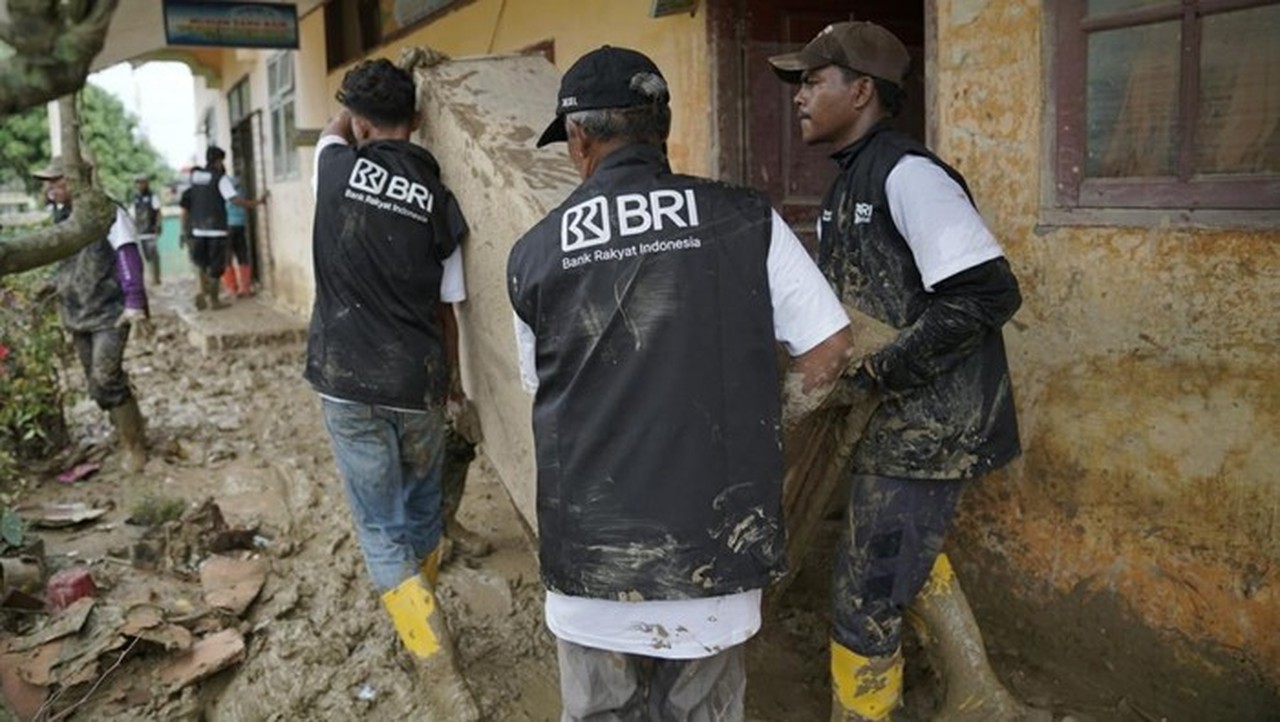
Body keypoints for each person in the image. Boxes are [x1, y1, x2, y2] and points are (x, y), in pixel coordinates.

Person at [507, 46, 853, 721]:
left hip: (591, 562)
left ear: (579, 138)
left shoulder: (534, 253)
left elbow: (543, 390)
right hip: (713, 555)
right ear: (660, 125)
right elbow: (830, 349)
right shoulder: (746, 219)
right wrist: (760, 426)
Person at [769, 21, 1026, 722]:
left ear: (860, 92)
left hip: (928, 420)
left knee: (865, 590)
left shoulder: (908, 175)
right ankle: (981, 695)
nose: (799, 96)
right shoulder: (849, 184)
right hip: (895, 419)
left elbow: (988, 294)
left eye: (813, 81)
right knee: (903, 553)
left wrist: (880, 372)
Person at [303, 58, 479, 720]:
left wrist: (351, 114)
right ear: (420, 122)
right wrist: (455, 391)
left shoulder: (333, 165)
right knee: (419, 510)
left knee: (379, 529)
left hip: (348, 382)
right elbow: (449, 309)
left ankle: (437, 667)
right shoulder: (441, 200)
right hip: (420, 384)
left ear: (358, 123)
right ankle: (419, 610)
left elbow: (332, 126)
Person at [33, 157, 153, 473]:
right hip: (76, 310)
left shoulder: (107, 213)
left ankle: (133, 445)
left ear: (74, 181)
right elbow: (65, 263)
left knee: (105, 376)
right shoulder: (62, 217)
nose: (49, 188)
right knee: (96, 385)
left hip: (110, 310)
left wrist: (134, 300)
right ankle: (128, 428)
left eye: (55, 181)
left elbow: (127, 253)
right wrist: (50, 286)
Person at [180, 146, 264, 310]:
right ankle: (214, 300)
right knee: (217, 265)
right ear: (219, 161)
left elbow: (188, 199)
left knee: (202, 263)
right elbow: (233, 200)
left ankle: (201, 291)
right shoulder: (220, 178)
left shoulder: (196, 176)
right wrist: (254, 203)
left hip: (198, 228)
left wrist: (185, 230)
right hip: (216, 228)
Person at [219, 172, 254, 298]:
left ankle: (232, 289)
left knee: (227, 258)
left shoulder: (222, 184)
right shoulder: (240, 186)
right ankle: (245, 288)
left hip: (228, 225)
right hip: (240, 224)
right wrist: (255, 202)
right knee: (242, 256)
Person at [130, 174, 162, 286]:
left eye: (142, 182)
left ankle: (156, 278)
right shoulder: (135, 197)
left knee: (153, 254)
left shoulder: (153, 196)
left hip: (150, 230)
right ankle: (149, 278)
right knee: (144, 255)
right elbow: (133, 214)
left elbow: (158, 212)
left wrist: (158, 225)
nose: (140, 185)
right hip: (139, 231)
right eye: (138, 182)